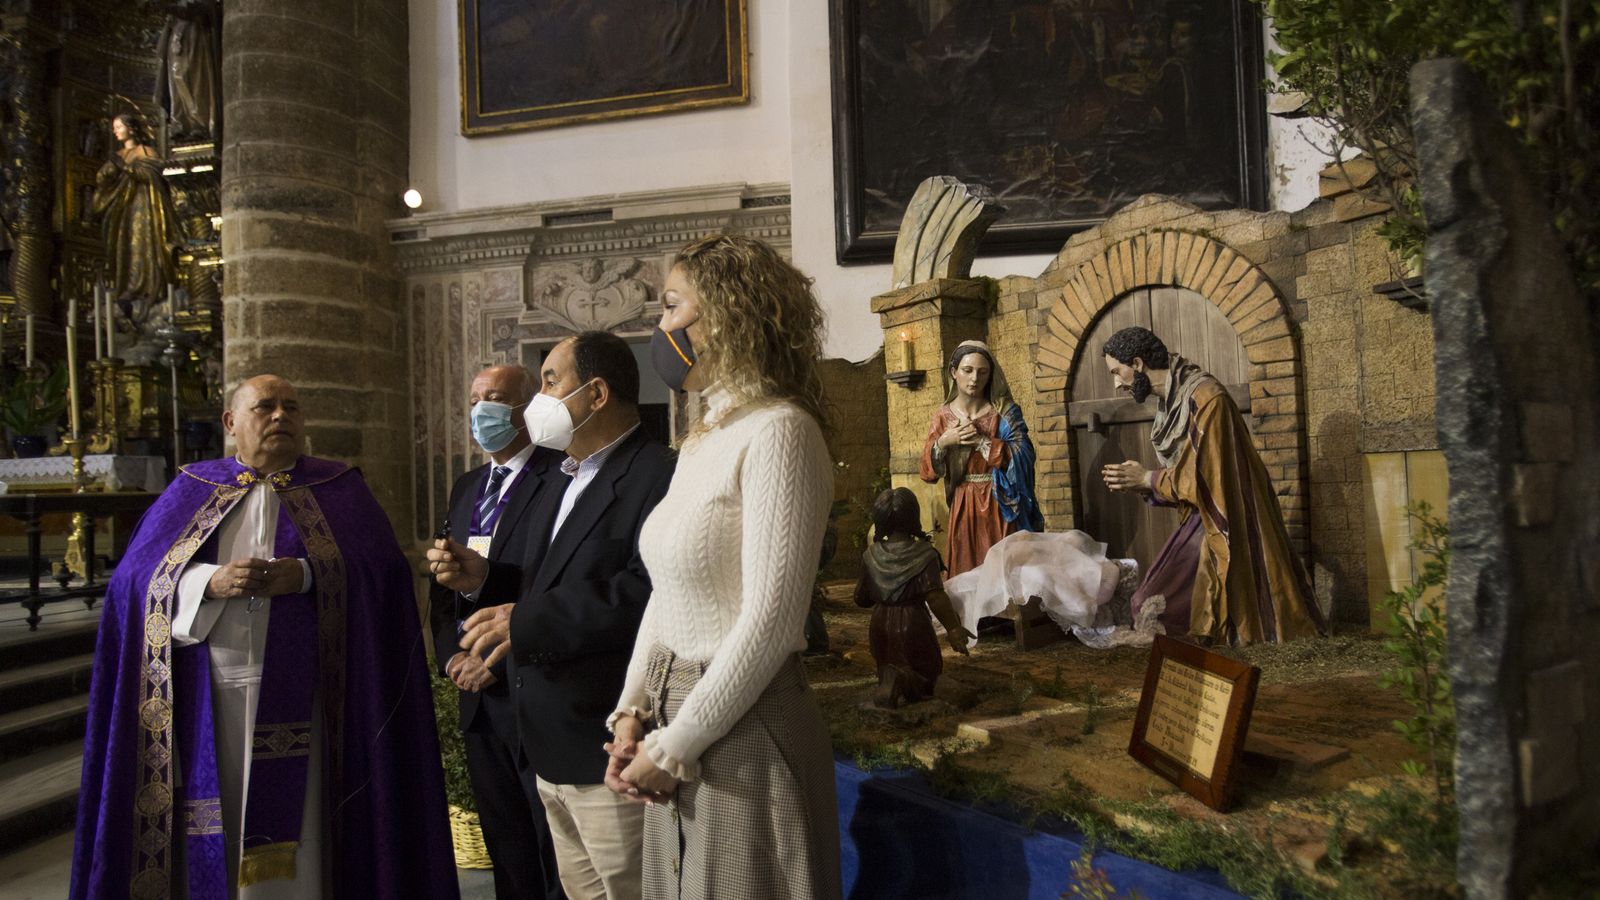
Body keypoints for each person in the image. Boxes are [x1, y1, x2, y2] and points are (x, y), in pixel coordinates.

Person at [71, 375, 457, 899]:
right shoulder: (191, 488)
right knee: (216, 822)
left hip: (316, 699)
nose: (281, 417)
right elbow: (132, 584)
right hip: (207, 698)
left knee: (309, 831)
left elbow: (383, 574)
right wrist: (207, 581)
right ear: (231, 424)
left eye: (292, 408)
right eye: (265, 407)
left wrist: (305, 575)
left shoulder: (338, 488)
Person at [603, 234, 840, 900]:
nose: (662, 327)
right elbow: (668, 593)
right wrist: (632, 711)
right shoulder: (704, 436)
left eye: (673, 305)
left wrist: (678, 745)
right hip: (678, 716)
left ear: (729, 313)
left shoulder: (781, 432)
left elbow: (771, 620)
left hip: (746, 721)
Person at [432, 332, 675, 900]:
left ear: (595, 394)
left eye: (549, 382)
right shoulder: (563, 479)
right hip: (542, 739)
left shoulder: (659, 474)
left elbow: (649, 591)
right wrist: (483, 580)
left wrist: (522, 625)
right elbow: (547, 586)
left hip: (606, 736)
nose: (539, 399)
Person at [427, 364, 565, 900]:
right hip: (476, 695)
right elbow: (445, 584)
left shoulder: (561, 478)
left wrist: (497, 656)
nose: (481, 409)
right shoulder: (468, 487)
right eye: (476, 397)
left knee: (551, 846)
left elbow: (559, 576)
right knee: (504, 846)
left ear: (527, 409)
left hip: (530, 682)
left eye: (496, 398)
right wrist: (452, 657)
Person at [1099, 326, 1325, 645]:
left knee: (1153, 607)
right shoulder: (1171, 404)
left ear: (1137, 364)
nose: (1117, 383)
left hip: (1229, 518)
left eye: (1117, 372)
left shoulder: (1207, 399)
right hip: (1202, 514)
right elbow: (1191, 475)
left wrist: (1149, 479)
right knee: (1145, 605)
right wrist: (1143, 485)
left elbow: (1208, 475)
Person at [920, 340, 1044, 578]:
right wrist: (944, 441)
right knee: (969, 565)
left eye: (982, 371)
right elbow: (927, 472)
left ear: (991, 375)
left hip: (999, 500)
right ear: (954, 373)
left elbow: (1025, 455)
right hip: (964, 501)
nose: (974, 378)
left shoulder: (1004, 411)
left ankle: (1007, 613)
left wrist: (982, 442)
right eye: (967, 370)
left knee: (1002, 568)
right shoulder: (943, 416)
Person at [854, 487, 975, 708]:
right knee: (926, 672)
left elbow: (861, 598)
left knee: (886, 664)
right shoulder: (925, 555)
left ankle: (891, 683)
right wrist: (954, 629)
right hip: (913, 623)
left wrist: (881, 588)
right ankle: (905, 682)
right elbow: (936, 597)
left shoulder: (870, 555)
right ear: (913, 517)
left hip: (880, 623)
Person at [93, 112, 181, 319]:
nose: (115, 131)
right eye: (114, 128)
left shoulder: (145, 151)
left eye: (118, 127)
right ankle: (126, 287)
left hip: (144, 207)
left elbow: (155, 175)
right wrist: (107, 174)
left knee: (144, 246)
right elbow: (102, 181)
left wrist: (126, 169)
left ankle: (148, 286)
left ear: (131, 128)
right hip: (121, 212)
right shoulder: (117, 155)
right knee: (124, 248)